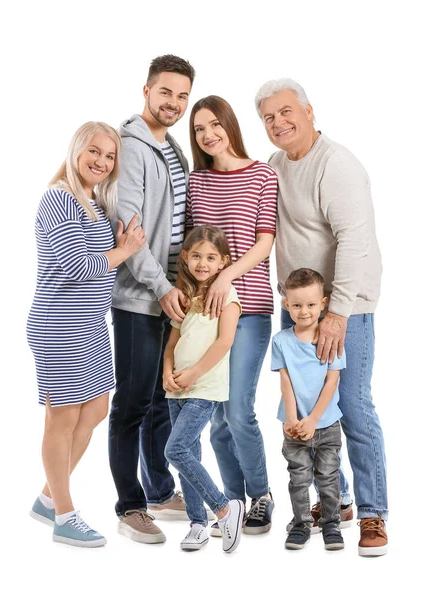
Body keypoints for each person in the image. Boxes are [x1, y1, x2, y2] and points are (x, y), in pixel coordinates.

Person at [255, 78, 388, 557]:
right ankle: (341, 500)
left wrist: (338, 313)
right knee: (311, 404)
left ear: (310, 112)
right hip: (299, 312)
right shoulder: (274, 164)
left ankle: (374, 514)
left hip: (344, 308)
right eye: (268, 117)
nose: (279, 123)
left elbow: (355, 241)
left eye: (287, 112)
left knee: (351, 407)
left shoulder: (337, 165)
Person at [27, 121, 146, 547]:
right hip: (59, 326)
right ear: (76, 150)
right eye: (93, 151)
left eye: (109, 156)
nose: (101, 161)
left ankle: (47, 497)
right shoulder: (59, 199)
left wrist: (116, 245)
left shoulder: (92, 201)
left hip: (91, 324)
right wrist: (125, 251)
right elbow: (78, 267)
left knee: (95, 412)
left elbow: (93, 259)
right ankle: (64, 514)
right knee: (62, 421)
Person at [108, 54, 199, 545]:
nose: (175, 103)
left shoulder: (171, 148)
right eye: (166, 93)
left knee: (162, 399)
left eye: (182, 95)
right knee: (133, 403)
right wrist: (161, 288)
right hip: (139, 299)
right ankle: (129, 506)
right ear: (146, 91)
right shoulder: (132, 147)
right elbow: (131, 232)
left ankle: (161, 492)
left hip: (172, 295)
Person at [187, 96, 277, 536]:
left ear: (229, 125)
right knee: (216, 416)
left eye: (214, 124)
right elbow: (190, 249)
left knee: (238, 410)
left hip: (251, 307)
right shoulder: (195, 181)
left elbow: (264, 242)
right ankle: (234, 500)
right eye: (199, 128)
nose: (208, 134)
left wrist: (227, 277)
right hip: (206, 314)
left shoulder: (263, 174)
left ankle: (261, 494)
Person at [163, 225, 244, 553]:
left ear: (223, 261)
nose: (202, 263)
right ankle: (197, 523)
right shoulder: (185, 296)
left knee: (175, 450)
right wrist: (167, 372)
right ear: (185, 257)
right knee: (189, 455)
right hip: (177, 388)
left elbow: (225, 341)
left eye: (211, 257)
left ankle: (225, 508)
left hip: (205, 386)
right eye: (196, 256)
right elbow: (172, 343)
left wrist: (195, 372)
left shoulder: (228, 296)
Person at [272, 268, 346, 552]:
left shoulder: (332, 340)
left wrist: (314, 419)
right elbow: (285, 381)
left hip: (326, 424)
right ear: (286, 304)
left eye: (311, 305)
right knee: (298, 477)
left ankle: (331, 524)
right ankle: (302, 524)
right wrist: (292, 418)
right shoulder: (281, 340)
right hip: (294, 425)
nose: (304, 311)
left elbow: (332, 382)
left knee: (328, 477)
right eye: (297, 305)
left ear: (323, 303)